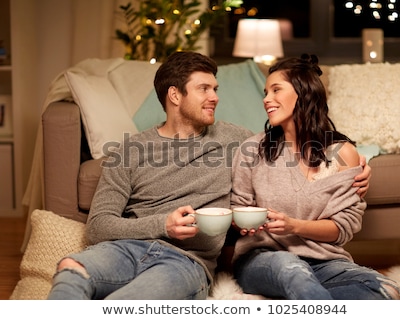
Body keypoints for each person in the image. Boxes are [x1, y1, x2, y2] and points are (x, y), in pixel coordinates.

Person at [47, 51, 371, 300]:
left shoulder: (238, 141)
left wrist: (357, 164)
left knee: (131, 302)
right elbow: (98, 226)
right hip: (125, 249)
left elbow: (297, 145)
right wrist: (163, 225)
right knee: (70, 269)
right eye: (204, 89)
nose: (215, 96)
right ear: (175, 96)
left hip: (185, 261)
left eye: (215, 88)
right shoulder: (128, 150)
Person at [230, 54, 400, 300]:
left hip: (323, 261)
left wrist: (294, 226)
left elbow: (343, 228)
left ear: (303, 93)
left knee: (386, 290)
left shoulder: (341, 154)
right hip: (264, 259)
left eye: (276, 90)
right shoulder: (252, 149)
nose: (266, 99)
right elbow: (238, 209)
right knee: (293, 271)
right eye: (266, 92)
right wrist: (244, 221)